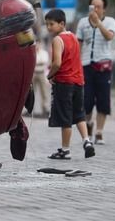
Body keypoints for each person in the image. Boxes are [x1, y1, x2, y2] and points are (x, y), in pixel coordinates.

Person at [44, 9, 95, 160]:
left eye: (51, 24)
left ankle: (65, 150)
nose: (48, 27)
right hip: (79, 81)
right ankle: (87, 141)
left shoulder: (57, 40)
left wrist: (50, 75)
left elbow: (57, 63)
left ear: (62, 24)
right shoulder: (73, 37)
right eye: (47, 24)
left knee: (65, 117)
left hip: (64, 83)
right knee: (79, 114)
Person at [76, 0, 115, 145]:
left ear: (104, 9)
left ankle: (99, 132)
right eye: (93, 6)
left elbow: (109, 37)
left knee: (103, 100)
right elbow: (78, 45)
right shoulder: (82, 23)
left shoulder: (110, 22)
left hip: (103, 66)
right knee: (86, 99)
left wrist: (98, 23)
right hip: (86, 65)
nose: (95, 10)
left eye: (99, 7)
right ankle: (88, 125)